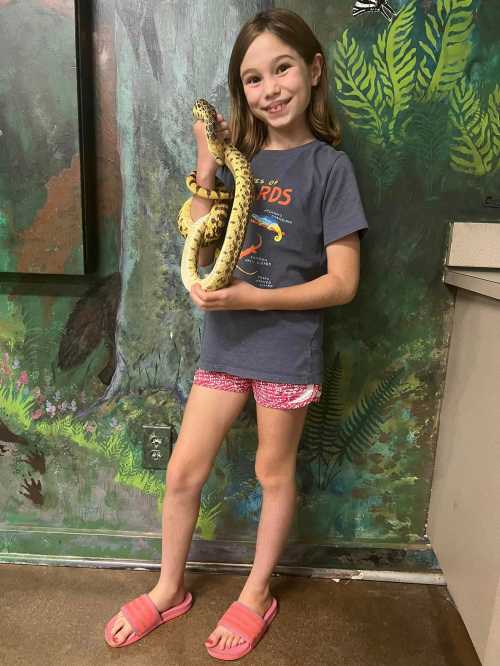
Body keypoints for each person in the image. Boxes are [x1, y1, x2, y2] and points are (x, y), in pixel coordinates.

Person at [104, 7, 369, 660]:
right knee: (183, 472)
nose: (270, 88)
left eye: (282, 68)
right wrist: (207, 159)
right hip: (225, 348)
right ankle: (169, 588)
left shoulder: (329, 170)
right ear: (240, 92)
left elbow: (343, 283)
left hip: (285, 352)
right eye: (253, 78)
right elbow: (200, 227)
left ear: (312, 72)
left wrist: (256, 295)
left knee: (270, 472)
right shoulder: (238, 160)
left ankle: (255, 593)